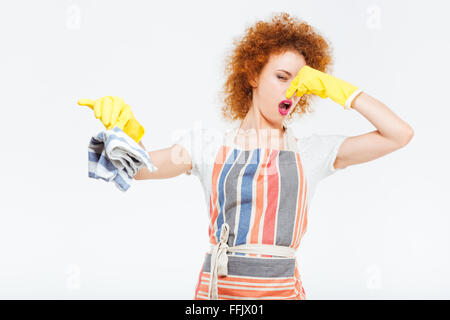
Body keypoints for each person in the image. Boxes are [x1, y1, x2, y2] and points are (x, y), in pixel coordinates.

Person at [78, 12, 414, 300]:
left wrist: (343, 92)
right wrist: (125, 135)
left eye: (303, 84)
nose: (292, 91)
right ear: (253, 75)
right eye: (282, 78)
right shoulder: (207, 146)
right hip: (217, 294)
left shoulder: (312, 153)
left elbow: (399, 134)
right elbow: (139, 170)